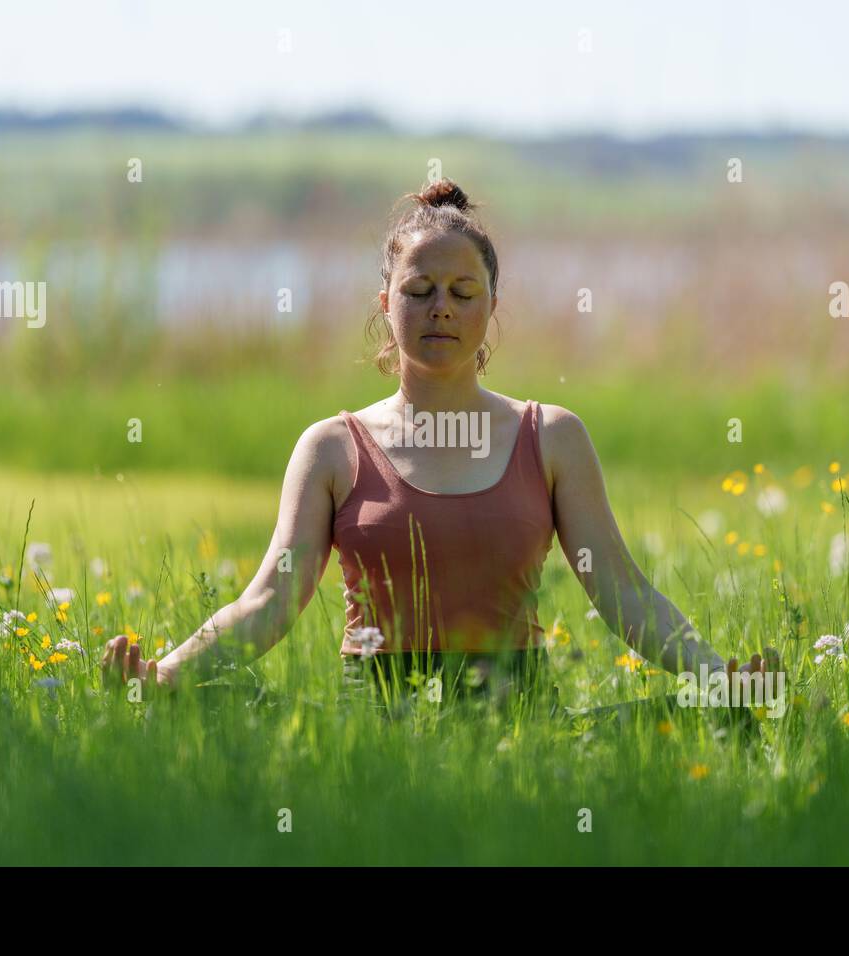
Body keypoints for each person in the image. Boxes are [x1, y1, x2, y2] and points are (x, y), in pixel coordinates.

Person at [100, 177, 779, 719]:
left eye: (462, 293)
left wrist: (719, 678)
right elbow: (268, 604)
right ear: (386, 303)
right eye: (419, 292)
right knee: (206, 707)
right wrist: (165, 674)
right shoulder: (333, 449)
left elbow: (626, 595)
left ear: (491, 304)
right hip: (374, 738)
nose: (441, 310)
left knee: (714, 716)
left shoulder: (553, 438)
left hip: (521, 731)